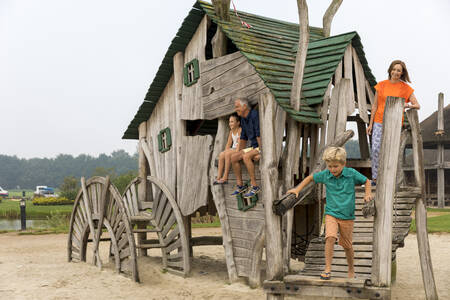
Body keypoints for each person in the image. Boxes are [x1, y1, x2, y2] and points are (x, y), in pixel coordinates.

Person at [287, 147, 372, 280]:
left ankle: (351, 269)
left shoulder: (351, 173)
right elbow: (310, 178)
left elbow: (367, 181)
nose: (332, 169)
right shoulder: (326, 175)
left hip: (347, 216)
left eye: (335, 166)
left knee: (347, 246)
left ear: (343, 164)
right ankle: (327, 269)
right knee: (330, 237)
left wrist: (367, 194)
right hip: (331, 212)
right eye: (330, 166)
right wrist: (297, 189)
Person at [366, 60, 420, 185]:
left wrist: (405, 105)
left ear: (402, 73)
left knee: (391, 151)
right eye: (394, 69)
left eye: (398, 70)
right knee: (375, 149)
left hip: (395, 124)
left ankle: (390, 179)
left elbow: (417, 105)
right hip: (378, 121)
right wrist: (370, 124)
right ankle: (375, 179)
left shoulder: (405, 88)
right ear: (390, 70)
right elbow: (374, 106)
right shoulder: (381, 85)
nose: (395, 72)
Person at [230, 98, 261, 198]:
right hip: (253, 146)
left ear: (245, 107)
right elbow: (243, 137)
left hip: (261, 145)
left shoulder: (254, 115)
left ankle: (255, 186)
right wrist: (238, 153)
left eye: (237, 107)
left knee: (246, 156)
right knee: (234, 157)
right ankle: (240, 185)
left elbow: (258, 134)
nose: (236, 109)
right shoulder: (243, 118)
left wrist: (262, 153)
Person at [214, 114, 241, 185]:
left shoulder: (240, 130)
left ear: (238, 123)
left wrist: (228, 152)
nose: (230, 124)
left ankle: (225, 177)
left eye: (232, 122)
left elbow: (240, 146)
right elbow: (228, 144)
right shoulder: (231, 132)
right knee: (221, 154)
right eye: (229, 122)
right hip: (233, 149)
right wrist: (225, 152)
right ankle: (218, 177)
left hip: (240, 149)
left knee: (228, 153)